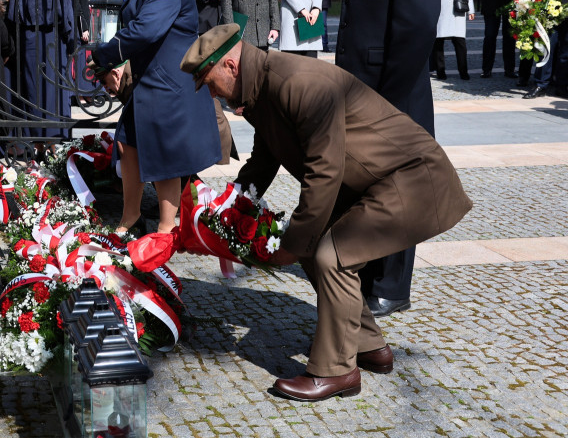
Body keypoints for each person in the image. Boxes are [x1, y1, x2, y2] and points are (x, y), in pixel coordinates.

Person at [181, 23, 472, 401]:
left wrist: (292, 245)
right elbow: (266, 156)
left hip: (412, 179)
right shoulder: (261, 90)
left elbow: (325, 171)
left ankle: (336, 372)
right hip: (376, 180)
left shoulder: (297, 82)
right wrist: (229, 205)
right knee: (315, 251)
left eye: (209, 82)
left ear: (231, 66)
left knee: (328, 255)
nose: (213, 94)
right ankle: (369, 346)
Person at [334, 0, 440, 318]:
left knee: (399, 193)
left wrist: (385, 106)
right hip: (360, 96)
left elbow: (414, 36)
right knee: (367, 188)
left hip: (395, 99)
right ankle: (368, 268)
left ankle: (393, 285)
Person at [88, 0, 221, 234]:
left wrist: (105, 55)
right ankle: (130, 216)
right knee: (127, 144)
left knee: (165, 156)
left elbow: (147, 29)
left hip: (169, 81)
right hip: (151, 80)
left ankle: (165, 229)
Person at [6, 0, 75, 144]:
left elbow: (13, 12)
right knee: (54, 92)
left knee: (33, 90)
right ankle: (54, 142)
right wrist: (71, 41)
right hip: (53, 38)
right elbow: (67, 16)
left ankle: (35, 141)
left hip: (28, 38)